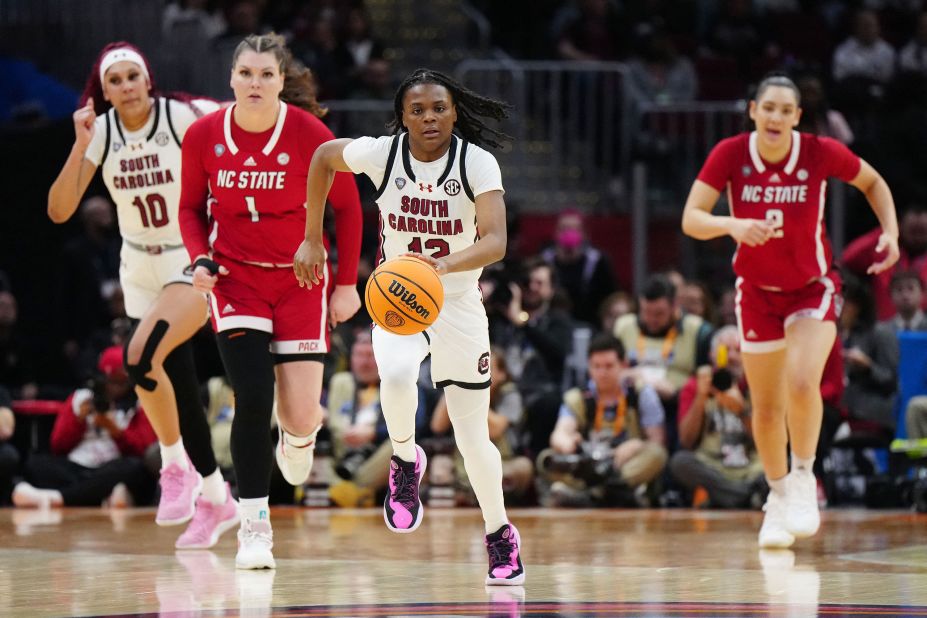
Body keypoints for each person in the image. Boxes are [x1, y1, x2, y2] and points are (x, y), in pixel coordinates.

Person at [295, 68, 525, 586]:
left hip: (459, 304)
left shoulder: (476, 163)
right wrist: (313, 236)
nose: (429, 117)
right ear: (402, 116)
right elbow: (322, 158)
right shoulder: (383, 154)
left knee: (473, 440)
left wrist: (441, 266)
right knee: (396, 378)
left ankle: (499, 532)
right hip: (399, 296)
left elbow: (496, 241)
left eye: (439, 108)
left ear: (453, 112)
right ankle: (404, 461)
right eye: (417, 109)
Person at [681, 73, 899, 548]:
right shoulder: (731, 153)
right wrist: (732, 224)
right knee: (765, 407)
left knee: (803, 381)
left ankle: (803, 476)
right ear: (753, 110)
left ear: (797, 117)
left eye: (786, 110)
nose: (777, 116)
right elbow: (691, 218)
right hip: (757, 293)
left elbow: (873, 181)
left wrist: (891, 232)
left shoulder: (818, 151)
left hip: (812, 288)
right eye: (769, 107)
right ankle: (776, 497)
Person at [179, 33, 362, 569]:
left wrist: (347, 283)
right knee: (253, 399)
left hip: (302, 279)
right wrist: (199, 258)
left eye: (266, 74)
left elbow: (349, 211)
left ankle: (300, 436)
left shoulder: (311, 135)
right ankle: (254, 527)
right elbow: (190, 208)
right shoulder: (203, 135)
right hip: (236, 280)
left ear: (282, 81)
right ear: (231, 78)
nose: (255, 83)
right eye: (246, 74)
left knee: (300, 414)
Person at [46, 42, 238, 549]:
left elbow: (240, 120)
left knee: (138, 359)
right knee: (174, 383)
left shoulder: (180, 116)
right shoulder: (102, 132)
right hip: (138, 265)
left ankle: (173, 467)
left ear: (148, 79)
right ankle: (217, 497)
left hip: (191, 255)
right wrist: (79, 141)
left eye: (134, 76)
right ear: (104, 91)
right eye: (116, 81)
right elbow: (60, 210)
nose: (127, 86)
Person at [12, 347, 157, 509]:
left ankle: (59, 497)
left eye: (121, 383)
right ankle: (101, 495)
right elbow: (57, 446)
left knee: (135, 469)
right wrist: (78, 422)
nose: (116, 388)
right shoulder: (80, 398)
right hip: (78, 466)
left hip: (114, 466)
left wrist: (116, 432)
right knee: (36, 464)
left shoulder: (139, 404)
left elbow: (144, 450)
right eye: (112, 381)